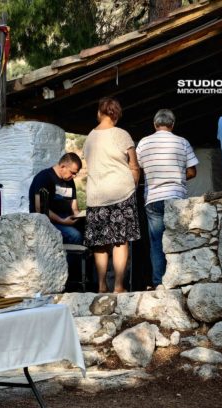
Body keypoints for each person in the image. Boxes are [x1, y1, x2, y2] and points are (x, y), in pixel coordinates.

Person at [83, 97, 140, 293]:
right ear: (116, 115)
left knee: (99, 243)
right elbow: (134, 165)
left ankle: (101, 286)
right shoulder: (121, 134)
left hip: (96, 195)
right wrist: (134, 184)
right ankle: (118, 286)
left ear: (99, 113)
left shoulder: (90, 137)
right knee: (120, 241)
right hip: (121, 193)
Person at [136, 109, 198, 288]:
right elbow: (192, 171)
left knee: (156, 242)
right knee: (178, 240)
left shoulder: (143, 143)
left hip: (153, 198)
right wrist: (176, 176)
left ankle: (159, 282)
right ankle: (179, 281)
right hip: (176, 197)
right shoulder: (182, 142)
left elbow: (136, 169)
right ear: (173, 124)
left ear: (155, 124)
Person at [29, 152, 83, 244]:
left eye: (76, 173)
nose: (74, 176)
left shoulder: (69, 180)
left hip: (66, 219)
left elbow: (74, 207)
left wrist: (78, 215)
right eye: (72, 173)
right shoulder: (43, 178)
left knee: (91, 228)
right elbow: (41, 209)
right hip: (48, 222)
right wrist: (62, 221)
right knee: (75, 235)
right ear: (63, 167)